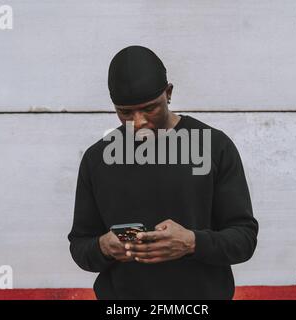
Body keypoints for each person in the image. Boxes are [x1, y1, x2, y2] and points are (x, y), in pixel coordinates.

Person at [68, 45, 258, 299]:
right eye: (125, 112)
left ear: (168, 93)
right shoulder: (97, 159)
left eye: (149, 108)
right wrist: (104, 247)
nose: (138, 122)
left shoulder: (214, 146)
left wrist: (192, 242)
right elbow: (80, 245)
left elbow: (244, 239)